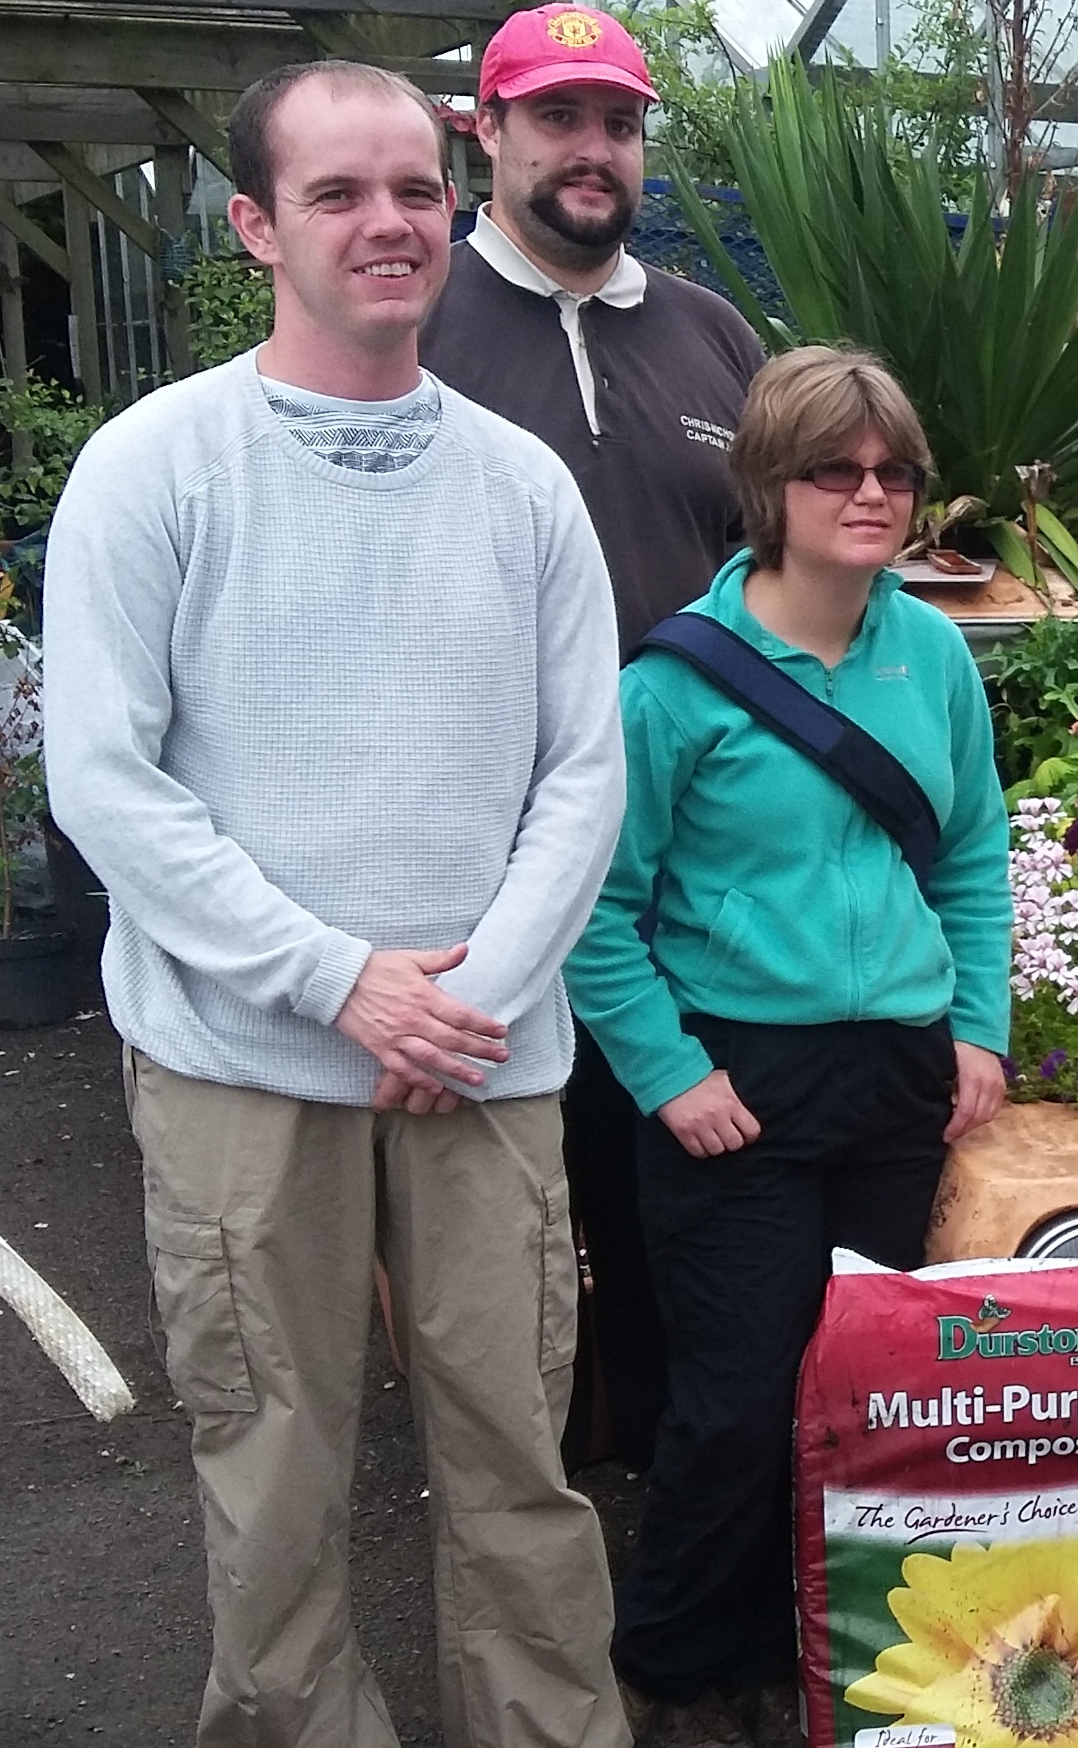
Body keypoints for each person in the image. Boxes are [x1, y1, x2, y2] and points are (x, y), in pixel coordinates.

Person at [42, 60, 631, 1748]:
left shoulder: (521, 489)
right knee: (275, 1462)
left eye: (413, 189)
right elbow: (106, 782)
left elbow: (583, 774)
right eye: (337, 194)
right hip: (249, 1061)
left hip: (487, 1064)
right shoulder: (154, 471)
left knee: (521, 1458)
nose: (389, 222)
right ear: (254, 226)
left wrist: (478, 998)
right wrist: (340, 981)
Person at [563, 345, 1012, 1748]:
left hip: (893, 1081)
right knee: (739, 1393)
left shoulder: (929, 653)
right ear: (771, 481)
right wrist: (666, 1073)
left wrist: (980, 1028)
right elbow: (597, 908)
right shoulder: (675, 687)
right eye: (838, 467)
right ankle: (685, 1669)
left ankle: (824, 1654)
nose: (871, 494)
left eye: (894, 471)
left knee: (861, 1393)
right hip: (735, 1086)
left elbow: (975, 852)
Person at [423, 0, 767, 1477]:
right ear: (485, 133)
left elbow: (776, 577)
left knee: (663, 1196)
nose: (592, 150)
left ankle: (652, 1507)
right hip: (475, 868)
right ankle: (536, 1488)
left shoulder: (711, 334)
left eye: (618, 122)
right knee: (504, 1215)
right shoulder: (418, 320)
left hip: (687, 864)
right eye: (557, 117)